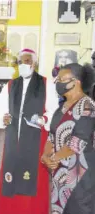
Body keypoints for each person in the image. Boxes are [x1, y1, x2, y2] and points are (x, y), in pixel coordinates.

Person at [0, 48, 59, 214]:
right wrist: (3, 118)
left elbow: (54, 111)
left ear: (34, 63)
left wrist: (44, 119)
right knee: (11, 176)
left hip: (36, 141)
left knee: (34, 180)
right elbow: (1, 110)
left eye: (27, 61)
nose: (24, 64)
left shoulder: (46, 84)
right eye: (21, 62)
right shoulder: (10, 85)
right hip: (13, 142)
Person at [41, 63, 95, 214]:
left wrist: (53, 158)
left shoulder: (88, 106)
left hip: (80, 176)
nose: (57, 83)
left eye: (61, 79)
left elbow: (77, 142)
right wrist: (45, 156)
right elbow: (52, 135)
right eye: (57, 79)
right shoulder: (62, 107)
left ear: (76, 82)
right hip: (60, 173)